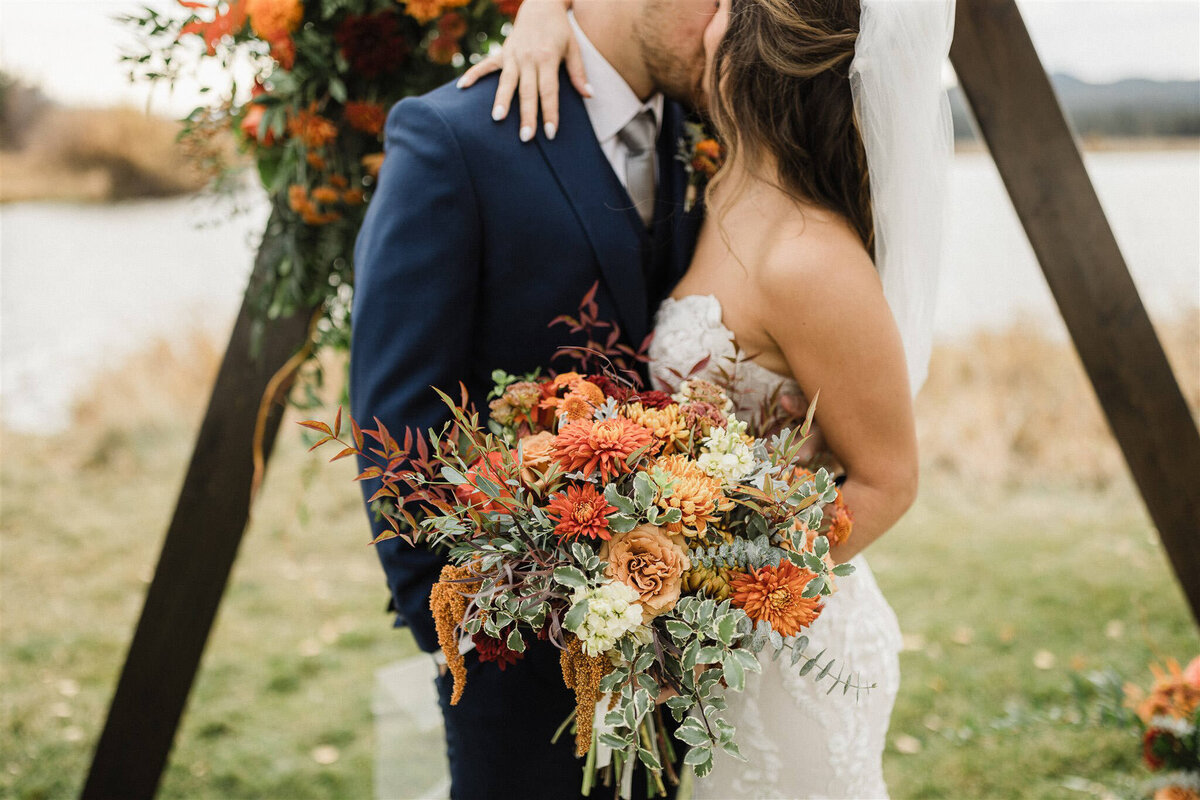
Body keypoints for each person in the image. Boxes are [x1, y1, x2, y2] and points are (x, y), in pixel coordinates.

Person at [457, 0, 955, 796]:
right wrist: (546, 12)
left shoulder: (810, 259)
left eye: (728, 2)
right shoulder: (716, 182)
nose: (708, 7)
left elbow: (889, 480)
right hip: (705, 659)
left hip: (788, 647)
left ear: (758, 50)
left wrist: (714, 582)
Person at [348, 2, 723, 797]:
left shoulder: (704, 132)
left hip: (674, 652)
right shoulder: (452, 139)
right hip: (513, 665)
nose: (740, 23)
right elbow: (396, 415)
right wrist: (465, 636)